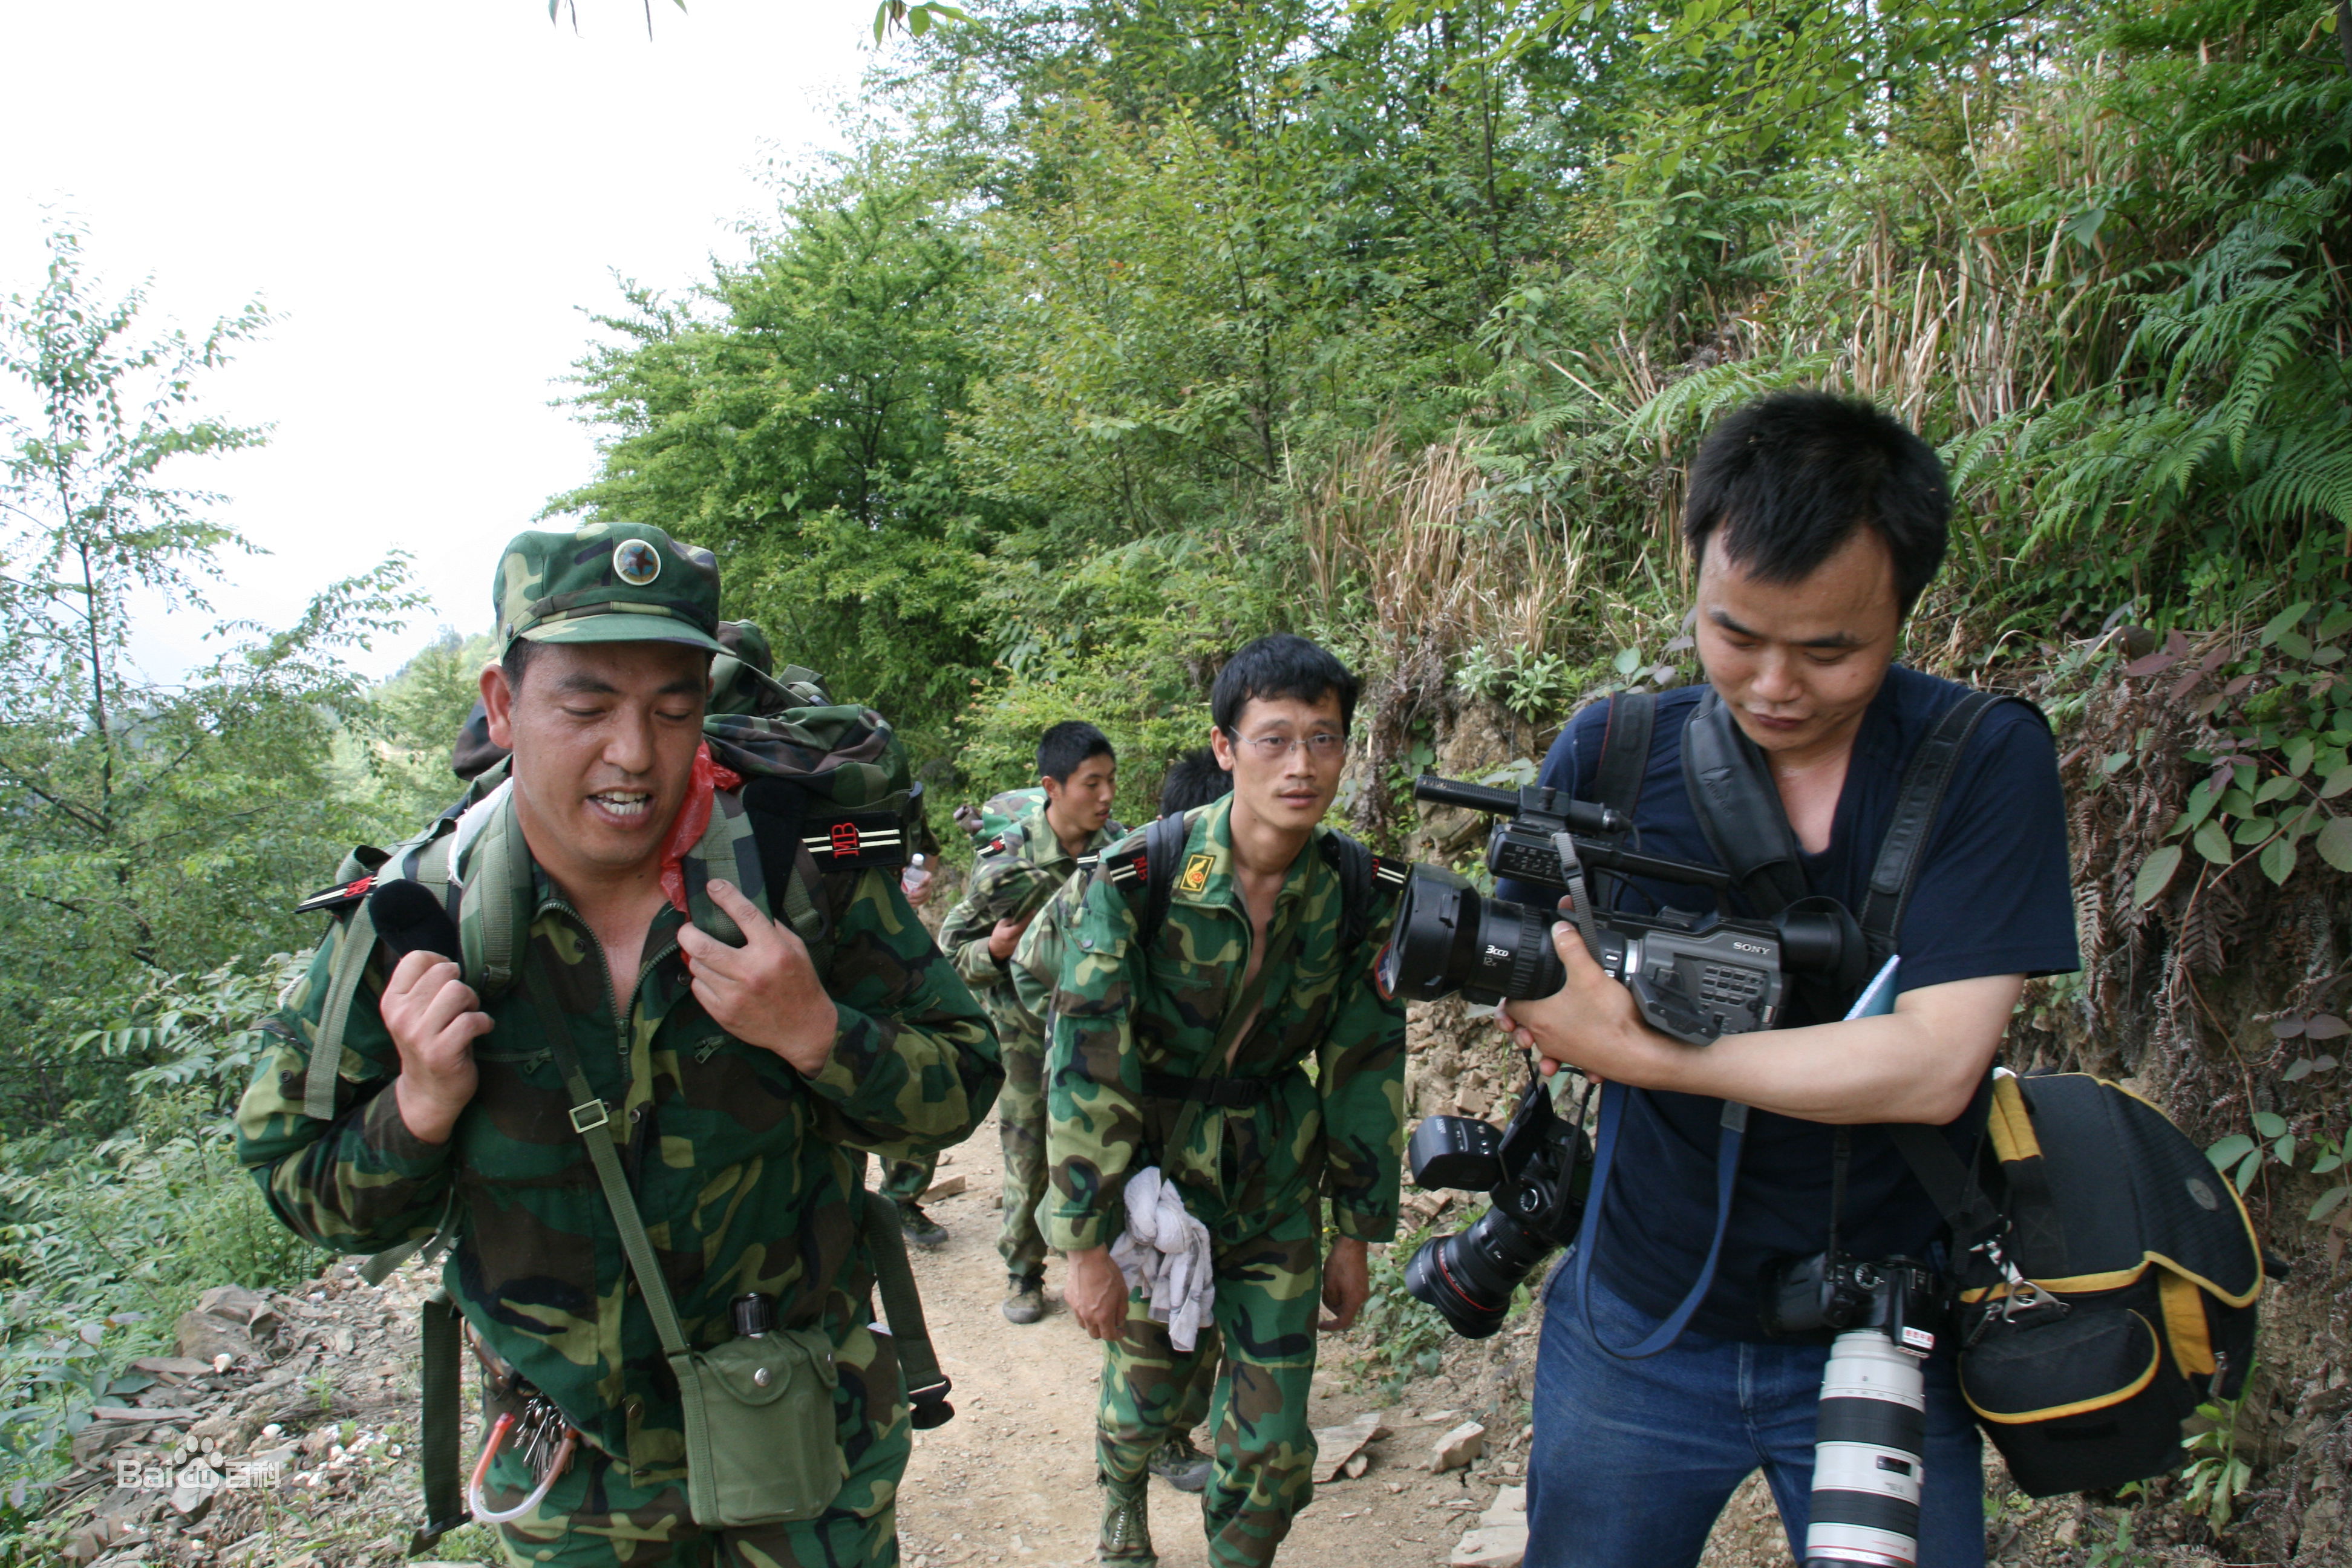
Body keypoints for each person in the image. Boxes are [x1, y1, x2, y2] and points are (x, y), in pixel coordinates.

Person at [236, 521, 1001, 1567]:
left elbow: (964, 1082)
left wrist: (819, 1034)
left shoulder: (795, 876)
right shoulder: (418, 922)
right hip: (571, 1486)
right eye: (586, 707)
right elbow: (297, 1183)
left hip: (806, 1445)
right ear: (503, 707)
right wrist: (416, 1109)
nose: (634, 752)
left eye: (673, 710)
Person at [1491, 392, 2079, 1568]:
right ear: (1696, 579)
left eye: (1828, 650)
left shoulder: (1981, 763)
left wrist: (1642, 1050)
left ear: (1903, 609)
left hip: (1879, 1334)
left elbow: (1934, 1062)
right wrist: (1543, 1004)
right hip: (1636, 1322)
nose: (1771, 684)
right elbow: (1525, 964)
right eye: (1735, 634)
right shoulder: (1611, 754)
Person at [1047, 635, 1407, 1568]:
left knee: (1275, 1449)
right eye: (1274, 739)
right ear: (1224, 747)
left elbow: (1366, 1064)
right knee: (1148, 1400)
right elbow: (1089, 1059)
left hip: (1275, 1187)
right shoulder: (1141, 876)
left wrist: (1355, 1233)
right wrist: (1084, 1244)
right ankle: (1122, 1494)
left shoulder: (1358, 888)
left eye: (1324, 740)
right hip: (1155, 1176)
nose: (1301, 766)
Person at [918, 723, 1128, 1296]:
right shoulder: (1006, 858)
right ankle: (1023, 1272)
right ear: (1052, 787)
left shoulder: (1121, 848)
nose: (1107, 796)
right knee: (1029, 1149)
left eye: (1112, 781)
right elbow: (950, 952)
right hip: (1024, 1034)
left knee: (1105, 1144)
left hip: (1097, 1029)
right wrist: (994, 950)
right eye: (1092, 784)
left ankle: (1105, 1261)